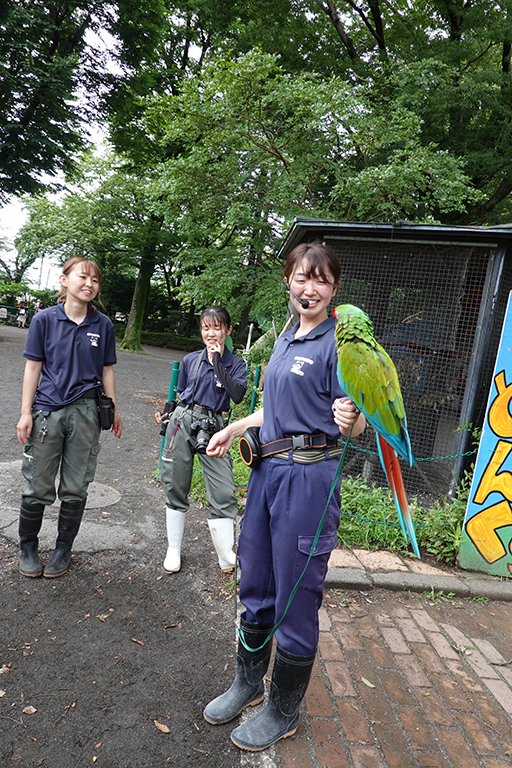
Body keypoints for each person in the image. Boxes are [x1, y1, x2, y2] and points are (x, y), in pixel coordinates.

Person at [202, 243, 366, 751]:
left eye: (320, 281)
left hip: (308, 481)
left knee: (295, 594)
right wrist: (235, 425)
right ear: (289, 282)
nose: (309, 288)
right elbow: (273, 408)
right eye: (300, 278)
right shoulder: (284, 339)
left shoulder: (342, 345)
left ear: (333, 290)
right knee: (255, 578)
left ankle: (283, 708)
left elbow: (356, 419)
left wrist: (351, 420)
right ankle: (248, 682)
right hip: (268, 473)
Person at [16, 257, 122, 579]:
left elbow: (107, 370)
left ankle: (63, 549)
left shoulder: (102, 325)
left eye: (95, 280)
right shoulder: (44, 320)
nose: (89, 284)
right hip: (47, 411)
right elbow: (32, 367)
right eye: (83, 277)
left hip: (86, 413)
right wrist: (25, 412)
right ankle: (28, 547)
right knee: (38, 483)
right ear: (64, 280)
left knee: (76, 486)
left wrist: (113, 408)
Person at [160, 306, 247, 573]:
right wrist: (168, 412)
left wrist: (218, 363)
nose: (211, 333)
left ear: (228, 330)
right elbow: (182, 392)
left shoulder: (238, 364)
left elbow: (237, 395)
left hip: (215, 427)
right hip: (184, 421)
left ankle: (225, 555)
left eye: (217, 327)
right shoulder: (190, 360)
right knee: (176, 484)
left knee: (223, 491)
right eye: (206, 328)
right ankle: (173, 549)